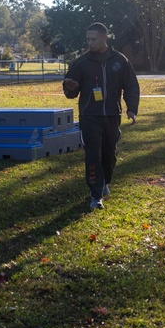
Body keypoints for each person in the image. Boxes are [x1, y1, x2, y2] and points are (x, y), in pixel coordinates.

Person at [62, 23, 140, 211]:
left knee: (109, 155)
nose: (90, 43)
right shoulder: (80, 63)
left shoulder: (120, 61)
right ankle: (95, 195)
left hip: (112, 115)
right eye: (87, 39)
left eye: (93, 39)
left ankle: (105, 181)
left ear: (105, 37)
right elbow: (70, 91)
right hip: (90, 116)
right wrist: (70, 88)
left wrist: (131, 108)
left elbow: (131, 85)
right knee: (93, 155)